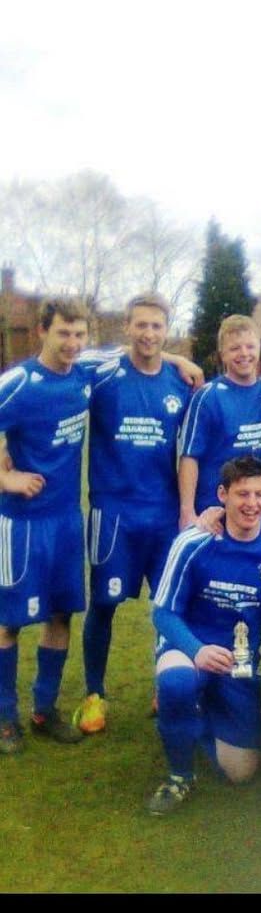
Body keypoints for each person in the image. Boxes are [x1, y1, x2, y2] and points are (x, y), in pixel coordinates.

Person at [147, 455, 261, 816]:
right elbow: (163, 613)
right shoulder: (194, 542)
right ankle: (179, 776)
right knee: (177, 682)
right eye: (242, 494)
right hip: (188, 646)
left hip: (238, 662)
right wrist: (196, 650)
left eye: (260, 494)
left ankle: (196, 716)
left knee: (240, 772)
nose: (252, 504)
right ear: (222, 495)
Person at [73, 294, 197, 734]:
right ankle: (94, 694)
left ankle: (166, 687)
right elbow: (61, 357)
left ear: (167, 330)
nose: (148, 334)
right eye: (140, 325)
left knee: (168, 606)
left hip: (164, 516)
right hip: (113, 515)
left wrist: (181, 360)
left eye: (157, 327)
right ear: (126, 326)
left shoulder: (181, 382)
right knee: (103, 605)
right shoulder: (102, 371)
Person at [0, 297, 104, 752]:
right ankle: (5, 719)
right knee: (8, 622)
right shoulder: (19, 382)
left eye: (80, 334)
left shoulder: (84, 373)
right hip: (22, 525)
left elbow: (137, 351)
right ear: (43, 330)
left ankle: (44, 710)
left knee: (61, 614)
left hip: (66, 519)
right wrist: (7, 477)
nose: (73, 343)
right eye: (64, 333)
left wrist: (180, 358)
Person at [178, 315, 261, 525]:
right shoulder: (208, 396)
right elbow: (189, 457)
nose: (244, 354)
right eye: (235, 348)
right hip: (216, 514)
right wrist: (187, 512)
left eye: (250, 346)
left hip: (258, 511)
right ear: (222, 354)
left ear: (259, 349)